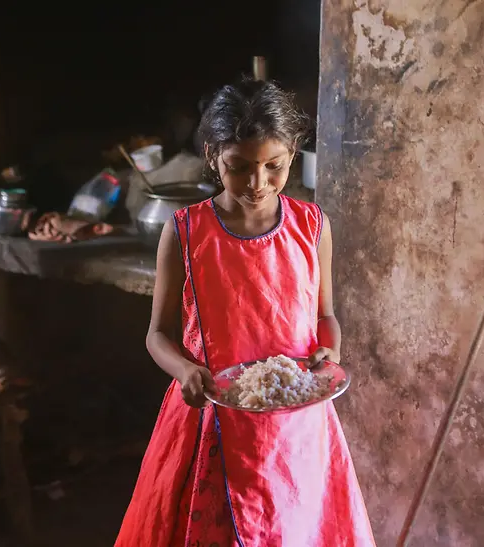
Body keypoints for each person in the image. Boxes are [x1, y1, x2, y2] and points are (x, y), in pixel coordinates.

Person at [115, 79, 376, 547]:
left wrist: (329, 353)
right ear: (213, 156)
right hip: (210, 420)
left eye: (274, 167)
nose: (258, 184)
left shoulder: (312, 226)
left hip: (294, 422)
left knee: (294, 527)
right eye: (238, 168)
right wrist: (185, 371)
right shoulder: (186, 232)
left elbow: (325, 317)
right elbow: (157, 334)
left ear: (293, 154)